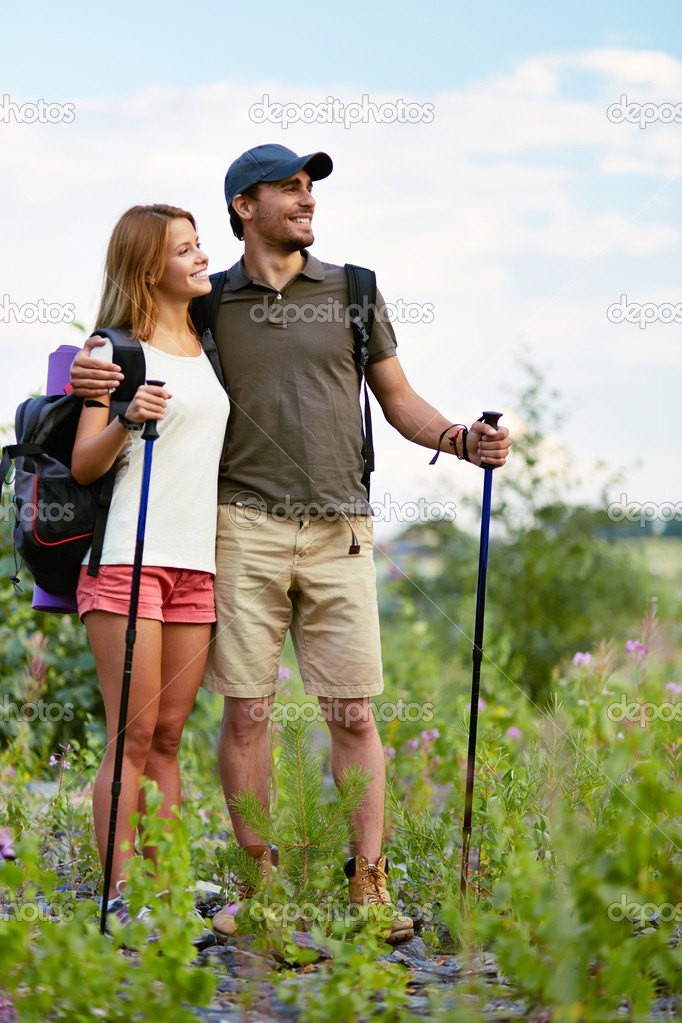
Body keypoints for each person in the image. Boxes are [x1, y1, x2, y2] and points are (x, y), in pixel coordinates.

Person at [70, 147, 511, 943]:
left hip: (342, 529)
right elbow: (136, 335)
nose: (306, 202)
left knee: (353, 710)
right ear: (246, 205)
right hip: (239, 530)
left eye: (311, 190)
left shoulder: (354, 290)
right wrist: (89, 380)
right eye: (289, 190)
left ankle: (367, 884)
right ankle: (261, 883)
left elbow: (401, 399)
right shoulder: (209, 301)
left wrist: (457, 437)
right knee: (247, 713)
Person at [70, 204, 230, 927]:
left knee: (168, 734)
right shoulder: (112, 347)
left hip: (195, 566)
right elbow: (83, 464)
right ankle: (117, 889)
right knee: (131, 734)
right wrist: (129, 415)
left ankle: (168, 887)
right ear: (148, 268)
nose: (203, 257)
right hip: (127, 563)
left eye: (201, 245)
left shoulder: (207, 341)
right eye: (186, 249)